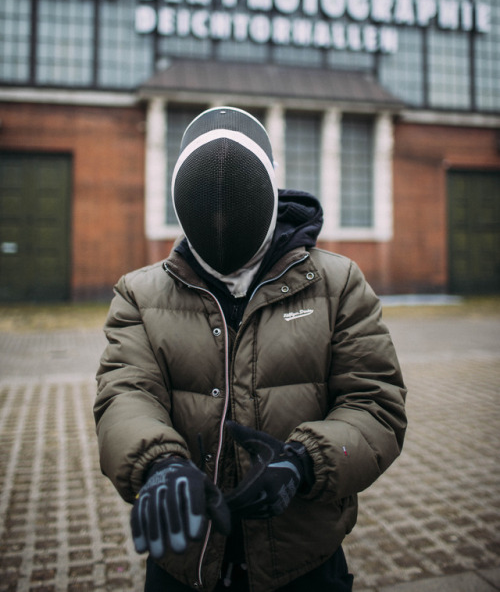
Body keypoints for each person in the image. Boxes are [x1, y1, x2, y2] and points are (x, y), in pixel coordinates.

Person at [94, 106, 407, 592]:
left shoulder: (337, 283)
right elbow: (125, 394)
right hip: (185, 562)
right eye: (207, 207)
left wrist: (304, 462)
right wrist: (157, 462)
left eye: (234, 202)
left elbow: (375, 403)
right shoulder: (141, 293)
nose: (220, 219)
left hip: (303, 562)